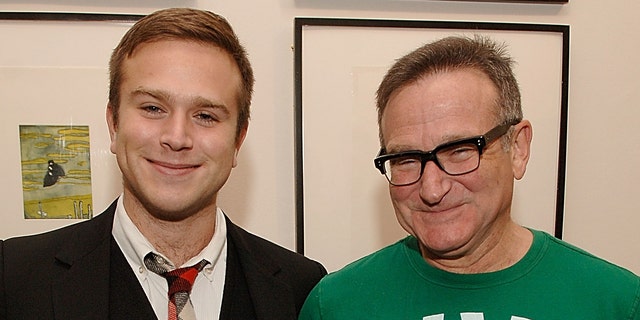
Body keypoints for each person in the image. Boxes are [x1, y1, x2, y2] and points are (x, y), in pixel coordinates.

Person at [0, 8, 326, 320]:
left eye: (205, 115)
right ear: (114, 124)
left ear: (238, 139)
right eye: (153, 108)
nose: (176, 136)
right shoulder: (13, 279)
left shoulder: (302, 289)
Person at [299, 35, 640, 319]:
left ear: (518, 148)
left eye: (461, 150)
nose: (432, 189)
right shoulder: (336, 306)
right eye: (406, 159)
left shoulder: (615, 304)